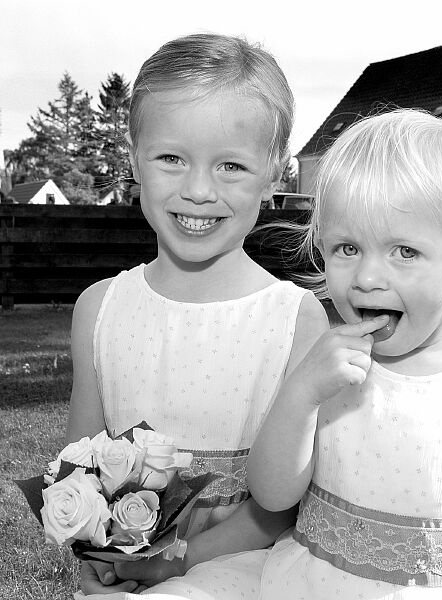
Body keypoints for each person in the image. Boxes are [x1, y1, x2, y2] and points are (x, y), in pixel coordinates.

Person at [247, 109, 442, 599]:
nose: (368, 277)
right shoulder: (323, 369)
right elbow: (270, 495)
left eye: (404, 252)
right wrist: (301, 395)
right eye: (347, 248)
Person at [67, 32, 329, 599]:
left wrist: (174, 564)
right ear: (133, 158)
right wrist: (100, 556)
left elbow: (280, 507)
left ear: (275, 172)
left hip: (247, 572)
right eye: (171, 158)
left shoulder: (295, 319)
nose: (199, 190)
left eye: (231, 165)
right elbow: (81, 476)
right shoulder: (99, 310)